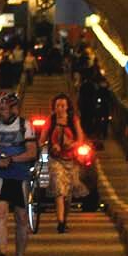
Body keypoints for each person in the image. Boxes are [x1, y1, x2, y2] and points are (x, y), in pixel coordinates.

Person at [0, 88, 38, 256]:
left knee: (21, 217)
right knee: (0, 212)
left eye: (3, 109)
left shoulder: (25, 126)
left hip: (20, 174)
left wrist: (12, 159)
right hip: (1, 174)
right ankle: (3, 255)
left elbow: (32, 152)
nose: (0, 113)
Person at [40, 92, 85, 233]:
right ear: (54, 107)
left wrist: (73, 145)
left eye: (63, 105)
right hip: (56, 159)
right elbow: (42, 139)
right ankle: (60, 222)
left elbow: (80, 138)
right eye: (57, 105)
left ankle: (65, 219)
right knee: (60, 190)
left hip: (71, 160)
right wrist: (49, 146)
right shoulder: (51, 120)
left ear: (67, 107)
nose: (60, 108)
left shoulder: (73, 120)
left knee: (68, 194)